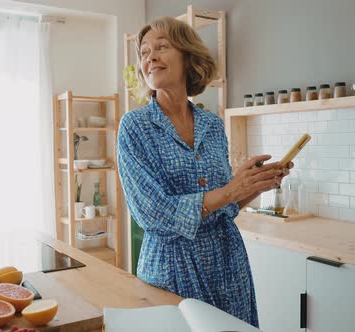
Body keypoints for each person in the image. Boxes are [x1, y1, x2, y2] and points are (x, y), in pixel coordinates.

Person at [117, 17, 293, 327]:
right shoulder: (134, 127)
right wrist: (230, 191)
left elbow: (222, 208)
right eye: (144, 52)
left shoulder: (212, 125)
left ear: (187, 56)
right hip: (170, 272)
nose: (150, 57)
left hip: (228, 267)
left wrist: (253, 186)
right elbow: (151, 214)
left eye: (161, 47)